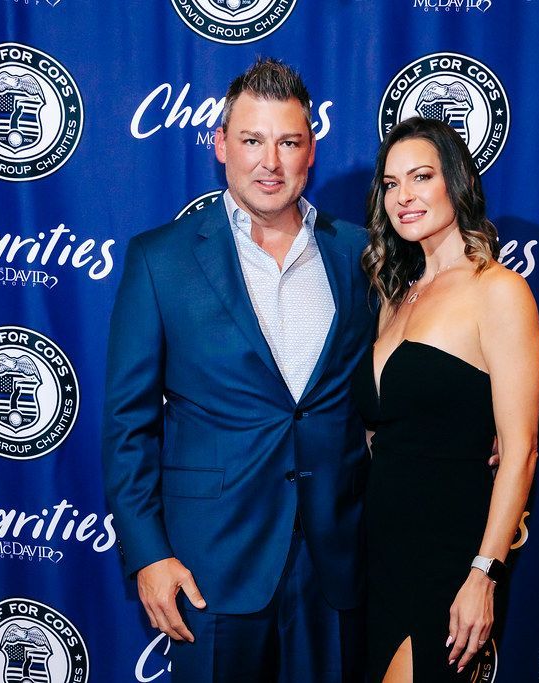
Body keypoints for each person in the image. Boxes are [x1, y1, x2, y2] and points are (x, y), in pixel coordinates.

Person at [102, 58, 374, 682]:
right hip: (211, 568)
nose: (269, 162)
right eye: (252, 140)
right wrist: (148, 554)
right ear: (221, 144)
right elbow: (128, 425)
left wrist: (476, 429)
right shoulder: (159, 260)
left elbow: (402, 370)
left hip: (336, 560)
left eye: (288, 142)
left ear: (312, 150)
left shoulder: (359, 253)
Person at [352, 117, 539, 682]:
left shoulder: (498, 291)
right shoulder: (396, 296)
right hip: (383, 547)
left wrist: (483, 572)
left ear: (455, 182)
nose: (403, 196)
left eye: (420, 177)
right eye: (390, 184)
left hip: (453, 552)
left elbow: (521, 449)